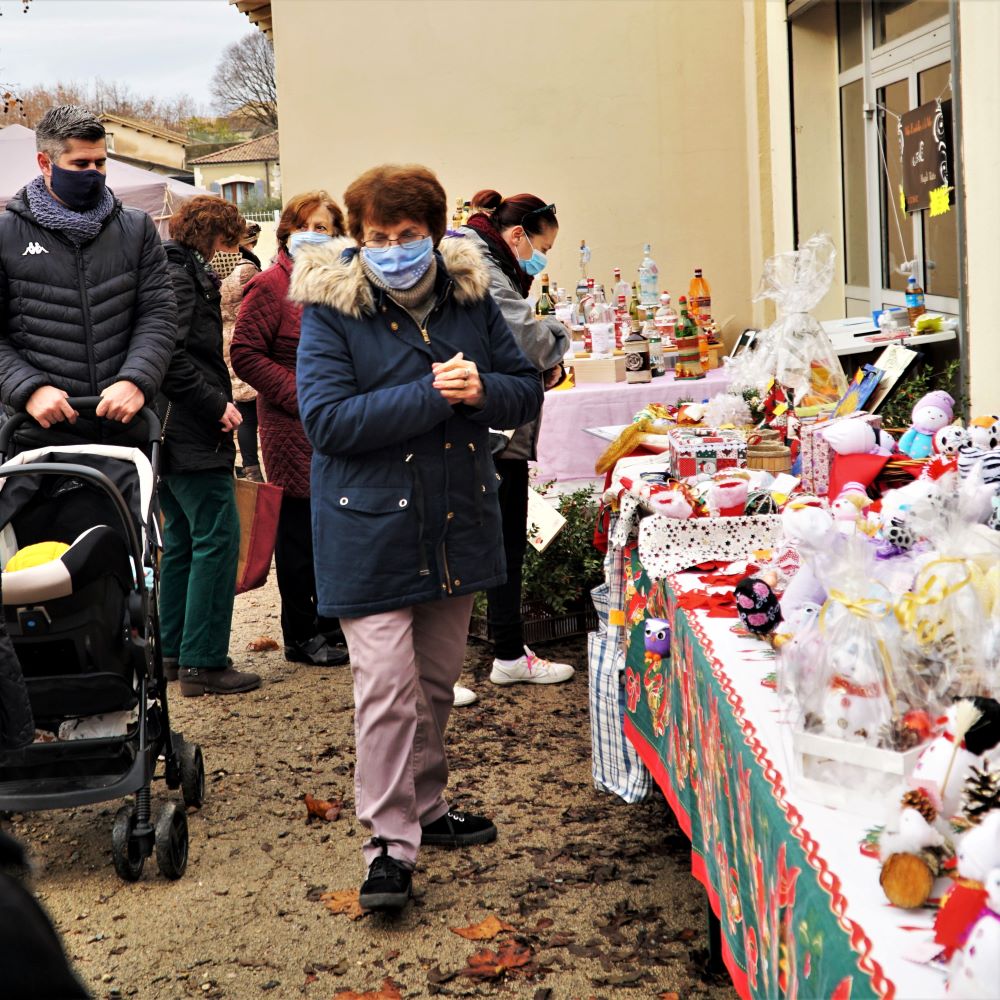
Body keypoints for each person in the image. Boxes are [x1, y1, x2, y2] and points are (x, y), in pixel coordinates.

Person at [291, 164, 542, 912]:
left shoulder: (470, 297)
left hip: (456, 520)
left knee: (434, 683)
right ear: (358, 240)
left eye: (407, 236)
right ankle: (388, 847)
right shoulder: (333, 310)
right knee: (386, 691)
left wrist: (486, 392)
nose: (393, 249)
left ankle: (427, 808)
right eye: (377, 237)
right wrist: (433, 394)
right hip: (369, 528)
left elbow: (524, 386)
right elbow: (326, 423)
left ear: (436, 235)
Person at [0, 105, 176, 442]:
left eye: (100, 162)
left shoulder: (137, 227)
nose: (93, 172)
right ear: (45, 163)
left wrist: (137, 380)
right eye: (80, 164)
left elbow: (159, 313)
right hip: (38, 434)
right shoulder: (6, 234)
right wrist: (28, 389)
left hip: (126, 428)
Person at [460, 192, 575, 687]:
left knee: (503, 531)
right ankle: (454, 667)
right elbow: (529, 338)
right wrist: (557, 337)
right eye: (540, 246)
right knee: (484, 534)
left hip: (493, 415)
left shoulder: (481, 257)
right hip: (482, 421)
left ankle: (506, 649)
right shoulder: (479, 265)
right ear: (515, 236)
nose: (540, 259)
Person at [231, 191, 350, 668]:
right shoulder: (270, 284)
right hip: (290, 428)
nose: (318, 236)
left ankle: (333, 623)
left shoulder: (337, 282)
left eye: (328, 228)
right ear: (287, 230)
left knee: (336, 531)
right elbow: (244, 353)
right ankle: (302, 634)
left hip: (339, 426)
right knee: (300, 536)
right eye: (311, 226)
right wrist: (302, 393)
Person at [159, 196, 260, 697]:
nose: (231, 251)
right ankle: (204, 661)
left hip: (172, 434)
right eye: (228, 242)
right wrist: (215, 404)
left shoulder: (170, 271)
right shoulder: (181, 278)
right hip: (191, 431)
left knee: (180, 543)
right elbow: (172, 358)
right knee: (216, 541)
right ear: (210, 239)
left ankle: (175, 655)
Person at [216, 230, 263, 482]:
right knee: (253, 409)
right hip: (245, 337)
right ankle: (253, 467)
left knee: (240, 407)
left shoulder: (213, 268)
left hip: (222, 341)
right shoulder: (246, 269)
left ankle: (247, 467)